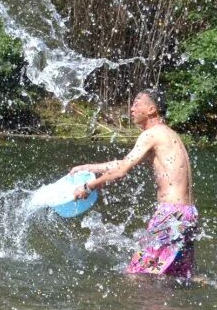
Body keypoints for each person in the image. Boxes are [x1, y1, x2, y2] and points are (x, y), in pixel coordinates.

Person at [70, 90, 198, 277]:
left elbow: (120, 171)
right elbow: (123, 164)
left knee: (136, 275)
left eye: (137, 104)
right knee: (179, 277)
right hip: (187, 214)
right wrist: (88, 167)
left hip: (171, 215)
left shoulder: (151, 134)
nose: (131, 108)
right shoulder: (167, 135)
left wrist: (88, 187)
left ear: (151, 109)